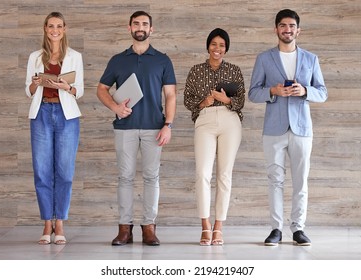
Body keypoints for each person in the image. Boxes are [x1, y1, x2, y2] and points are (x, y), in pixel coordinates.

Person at [97, 11, 177, 246]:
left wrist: (168, 124)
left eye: (144, 24)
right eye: (136, 23)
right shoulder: (118, 60)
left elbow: (171, 95)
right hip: (125, 128)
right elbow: (101, 89)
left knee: (152, 177)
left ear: (151, 29)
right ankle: (125, 229)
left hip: (154, 127)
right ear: (129, 28)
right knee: (125, 178)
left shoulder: (162, 60)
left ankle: (149, 227)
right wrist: (115, 106)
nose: (140, 27)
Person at [248, 9, 327, 246]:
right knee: (275, 180)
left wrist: (305, 91)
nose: (287, 30)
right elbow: (253, 93)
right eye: (283, 25)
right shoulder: (264, 58)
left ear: (298, 30)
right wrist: (273, 91)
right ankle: (276, 229)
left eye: (292, 26)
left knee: (301, 180)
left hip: (302, 128)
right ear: (276, 29)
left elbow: (322, 92)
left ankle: (298, 229)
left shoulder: (311, 59)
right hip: (274, 128)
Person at [25, 12, 84, 245]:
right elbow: (28, 90)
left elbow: (79, 90)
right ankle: (46, 222)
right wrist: (36, 82)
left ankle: (60, 221)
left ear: (65, 29)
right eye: (51, 26)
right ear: (45, 28)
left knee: (64, 171)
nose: (55, 30)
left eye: (59, 26)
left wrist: (66, 86)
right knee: (42, 170)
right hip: (41, 113)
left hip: (66, 115)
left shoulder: (74, 56)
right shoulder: (35, 57)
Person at [184, 28, 245, 246]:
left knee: (224, 175)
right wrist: (204, 102)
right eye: (213, 44)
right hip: (205, 119)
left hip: (230, 121)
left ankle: (219, 227)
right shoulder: (196, 70)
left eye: (221, 45)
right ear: (208, 46)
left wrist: (225, 99)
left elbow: (241, 100)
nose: (217, 48)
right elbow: (187, 100)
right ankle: (205, 226)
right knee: (202, 174)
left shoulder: (235, 71)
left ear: (226, 48)